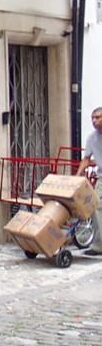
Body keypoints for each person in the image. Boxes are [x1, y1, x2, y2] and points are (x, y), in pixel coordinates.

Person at [76, 107, 102, 256]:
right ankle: (99, 245)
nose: (94, 121)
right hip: (101, 177)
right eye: (92, 118)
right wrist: (78, 175)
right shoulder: (92, 138)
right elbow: (86, 159)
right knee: (95, 205)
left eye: (97, 117)